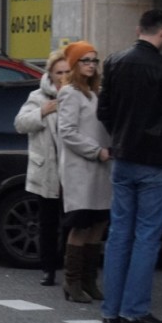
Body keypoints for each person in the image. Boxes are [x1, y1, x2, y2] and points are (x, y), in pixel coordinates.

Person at [96, 9, 162, 323]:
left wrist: (119, 135)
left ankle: (111, 308)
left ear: (139, 29)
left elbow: (103, 110)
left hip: (122, 156)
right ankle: (134, 310)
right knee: (147, 236)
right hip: (156, 160)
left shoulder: (114, 62)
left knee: (120, 233)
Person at [55, 41, 112, 303]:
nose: (91, 65)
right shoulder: (70, 93)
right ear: (75, 65)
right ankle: (72, 281)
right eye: (85, 60)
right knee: (80, 224)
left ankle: (89, 280)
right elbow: (67, 132)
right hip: (81, 168)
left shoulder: (97, 92)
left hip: (102, 168)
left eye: (94, 60)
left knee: (98, 223)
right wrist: (95, 150)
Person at [14, 48, 72, 286]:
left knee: (72, 222)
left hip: (71, 170)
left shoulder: (77, 95)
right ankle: (48, 269)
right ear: (50, 73)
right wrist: (43, 111)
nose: (63, 76)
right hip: (47, 169)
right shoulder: (38, 96)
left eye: (68, 71)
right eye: (59, 72)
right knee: (48, 223)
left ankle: (71, 267)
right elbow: (20, 123)